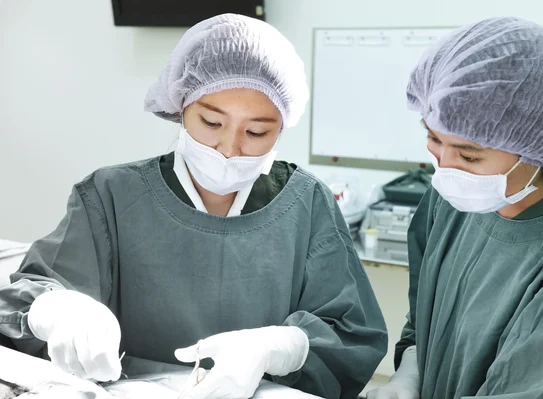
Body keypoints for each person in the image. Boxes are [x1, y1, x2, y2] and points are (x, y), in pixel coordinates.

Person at [0, 14, 388, 399]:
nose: (230, 148)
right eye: (211, 122)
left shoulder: (307, 203)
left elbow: (352, 334)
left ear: (282, 127)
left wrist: (282, 346)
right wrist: (55, 312)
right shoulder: (110, 195)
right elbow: (26, 299)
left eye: (256, 131)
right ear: (180, 107)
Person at [368, 16, 543, 399]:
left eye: (470, 155)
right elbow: (425, 315)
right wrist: (412, 368)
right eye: (433, 138)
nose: (445, 166)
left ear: (540, 148)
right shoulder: (450, 199)